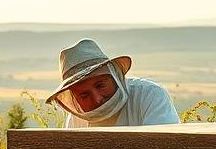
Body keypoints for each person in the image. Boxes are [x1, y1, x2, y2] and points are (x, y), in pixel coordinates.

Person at [46, 38, 179, 127]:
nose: (97, 99)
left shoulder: (150, 96)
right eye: (84, 95)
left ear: (115, 77)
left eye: (100, 85)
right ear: (74, 99)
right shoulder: (76, 120)